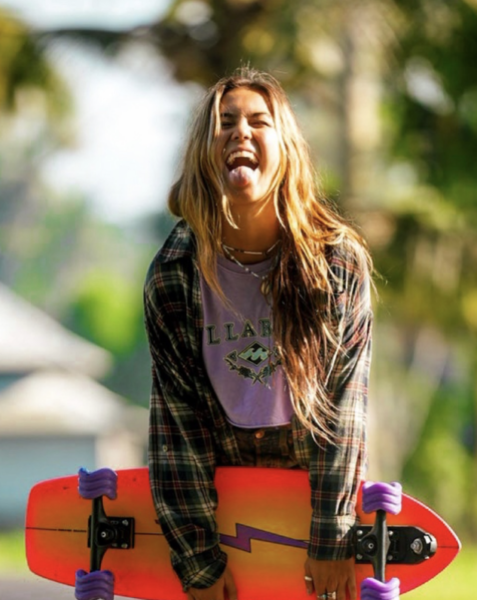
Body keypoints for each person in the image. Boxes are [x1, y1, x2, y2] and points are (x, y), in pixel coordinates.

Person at [144, 66, 394, 600]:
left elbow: (343, 409)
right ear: (202, 154)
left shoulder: (335, 263)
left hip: (315, 497)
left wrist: (331, 535)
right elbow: (175, 426)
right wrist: (198, 564)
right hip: (221, 498)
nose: (241, 132)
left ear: (287, 149)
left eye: (260, 121)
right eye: (225, 122)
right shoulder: (174, 274)